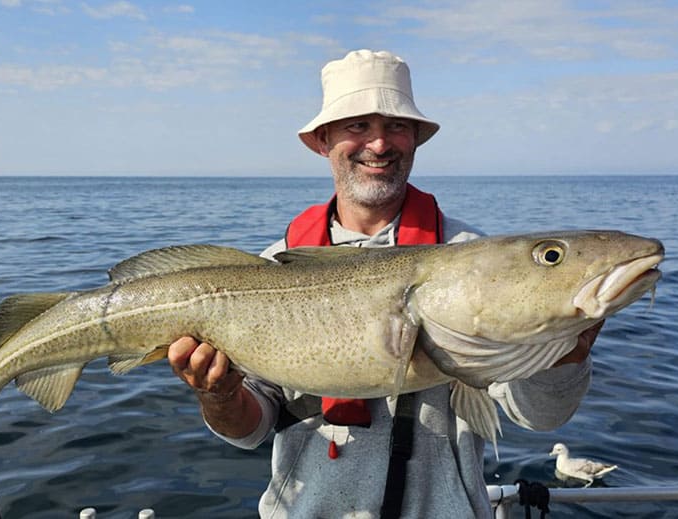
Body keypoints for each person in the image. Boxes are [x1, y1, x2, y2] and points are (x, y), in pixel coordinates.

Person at [167, 49, 601, 518]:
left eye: (396, 126)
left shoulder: (476, 258)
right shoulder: (272, 269)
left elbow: (538, 416)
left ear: (415, 139)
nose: (378, 144)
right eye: (357, 126)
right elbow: (251, 428)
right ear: (323, 141)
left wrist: (564, 356)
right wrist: (218, 395)